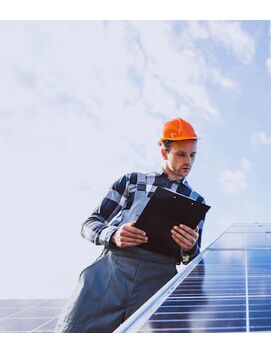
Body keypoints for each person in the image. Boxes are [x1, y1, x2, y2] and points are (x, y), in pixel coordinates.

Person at [56, 117, 206, 333]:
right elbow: (89, 224)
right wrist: (114, 234)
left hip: (158, 283)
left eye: (193, 155)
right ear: (164, 153)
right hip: (110, 276)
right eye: (181, 154)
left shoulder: (196, 201)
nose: (188, 162)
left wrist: (190, 248)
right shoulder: (132, 181)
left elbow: (191, 260)